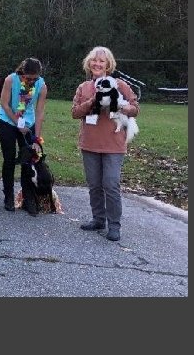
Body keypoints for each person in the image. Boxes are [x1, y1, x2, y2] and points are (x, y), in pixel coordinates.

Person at [71, 46, 140, 242]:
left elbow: (135, 108)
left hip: (113, 145)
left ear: (108, 64)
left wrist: (120, 105)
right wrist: (93, 101)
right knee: (94, 185)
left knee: (110, 184)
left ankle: (114, 225)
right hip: (89, 143)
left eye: (101, 61)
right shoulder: (84, 87)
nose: (97, 64)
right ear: (89, 63)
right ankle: (98, 219)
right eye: (94, 60)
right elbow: (75, 113)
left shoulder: (120, 84)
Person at [0, 57, 48, 214]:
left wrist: (36, 139)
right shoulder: (10, 80)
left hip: (28, 123)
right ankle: (8, 196)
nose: (32, 81)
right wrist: (17, 123)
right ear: (22, 73)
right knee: (9, 159)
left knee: (28, 160)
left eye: (35, 78)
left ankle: (28, 198)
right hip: (7, 121)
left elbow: (39, 112)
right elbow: (4, 104)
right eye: (28, 78)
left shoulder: (41, 85)